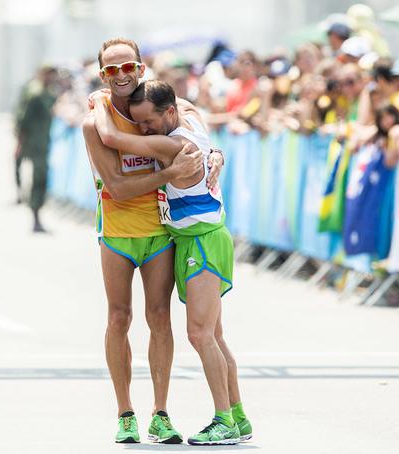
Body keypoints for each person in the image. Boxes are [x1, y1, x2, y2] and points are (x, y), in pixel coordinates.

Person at [92, 79, 252, 446]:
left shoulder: (173, 143)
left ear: (168, 112)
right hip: (203, 236)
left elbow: (114, 139)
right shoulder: (192, 120)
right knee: (215, 334)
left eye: (148, 121)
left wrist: (101, 102)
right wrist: (217, 152)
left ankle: (223, 420)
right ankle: (238, 416)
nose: (143, 128)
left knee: (199, 334)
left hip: (200, 240)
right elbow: (189, 105)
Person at [17, 65, 58, 233]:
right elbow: (23, 120)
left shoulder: (48, 92)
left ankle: (37, 214)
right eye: (49, 74)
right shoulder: (36, 94)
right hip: (35, 144)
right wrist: (20, 143)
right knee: (38, 179)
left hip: (44, 142)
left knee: (41, 179)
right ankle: (35, 216)